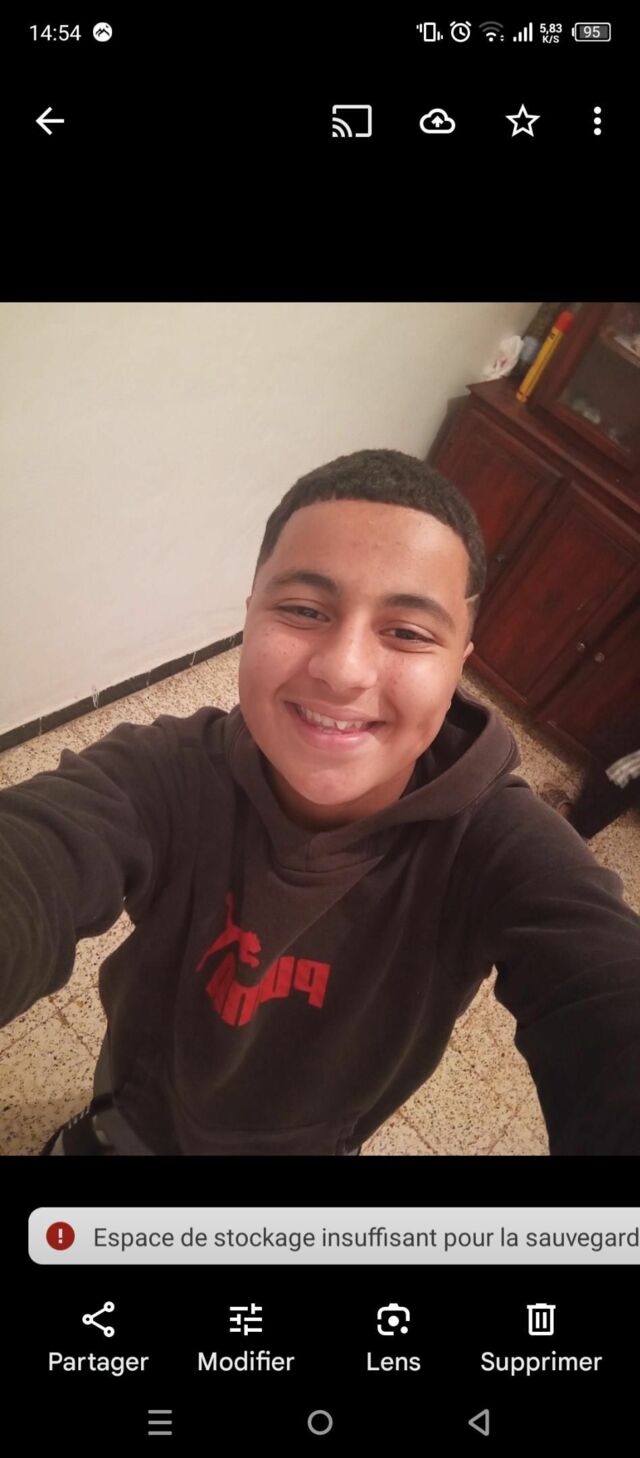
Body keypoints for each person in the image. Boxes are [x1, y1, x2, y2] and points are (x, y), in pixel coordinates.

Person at [1, 448, 640, 1156]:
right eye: (304, 610)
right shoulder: (164, 772)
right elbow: (33, 859)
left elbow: (606, 991)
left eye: (407, 632)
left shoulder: (500, 848)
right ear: (250, 616)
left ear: (459, 661)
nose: (342, 670)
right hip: (131, 1111)